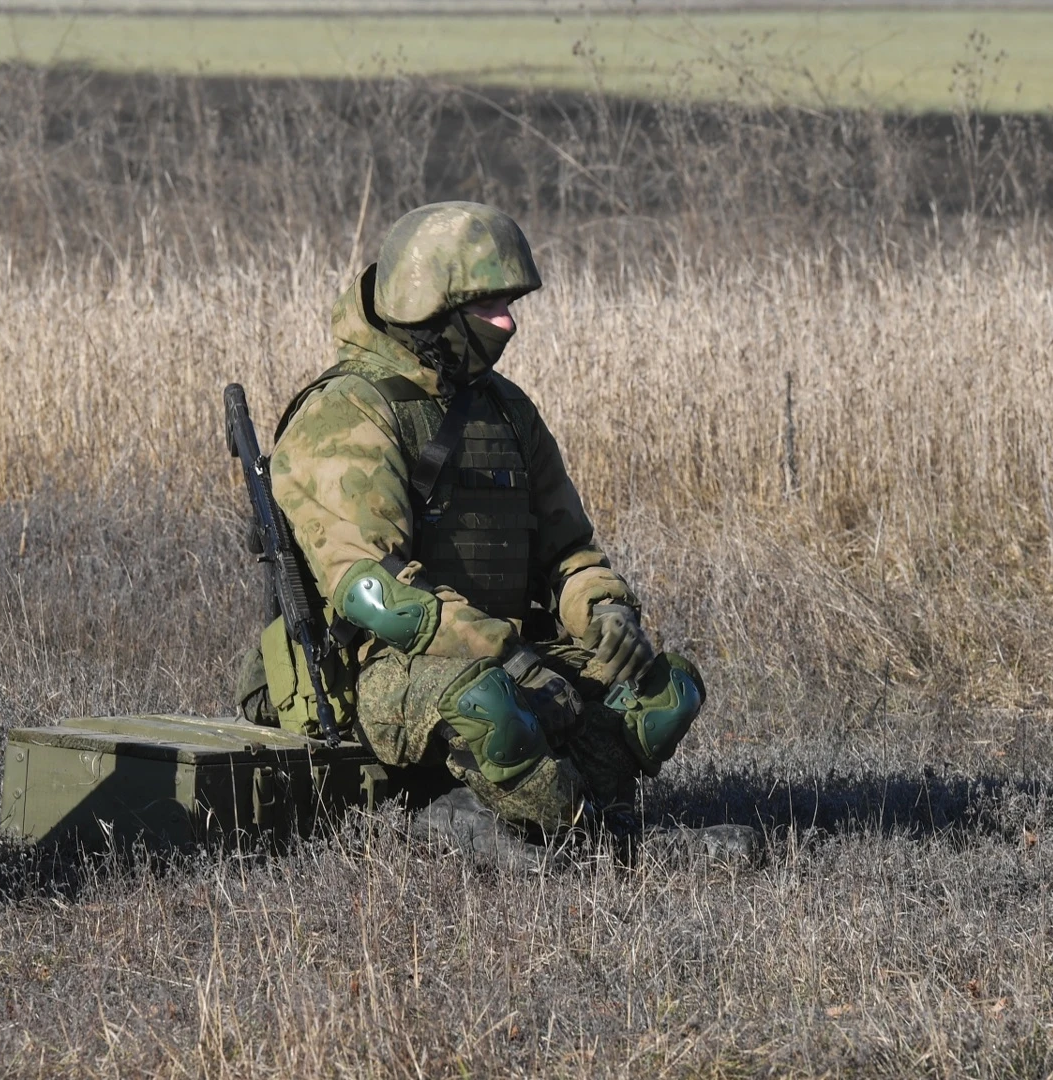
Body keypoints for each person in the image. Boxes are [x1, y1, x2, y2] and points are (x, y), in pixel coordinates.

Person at [239, 201, 758, 864]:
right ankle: (597, 844)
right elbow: (373, 594)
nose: (509, 323)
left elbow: (568, 549)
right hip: (378, 673)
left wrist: (606, 611)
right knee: (487, 700)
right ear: (430, 306)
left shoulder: (506, 412)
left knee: (667, 689)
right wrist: (510, 658)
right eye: (489, 308)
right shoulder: (346, 413)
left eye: (510, 304)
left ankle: (540, 809)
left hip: (504, 652)